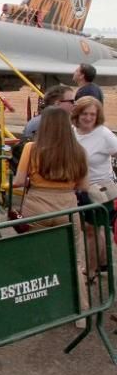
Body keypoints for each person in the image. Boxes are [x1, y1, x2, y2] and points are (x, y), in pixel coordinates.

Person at [72, 97, 117, 275]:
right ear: (77, 113)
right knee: (89, 228)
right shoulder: (71, 131)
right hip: (78, 188)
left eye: (93, 114)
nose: (89, 117)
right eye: (85, 113)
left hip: (99, 189)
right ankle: (103, 261)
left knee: (91, 229)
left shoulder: (104, 134)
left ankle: (91, 270)